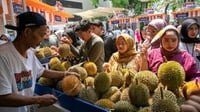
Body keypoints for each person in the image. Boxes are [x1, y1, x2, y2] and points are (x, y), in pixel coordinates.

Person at [0, 12, 79, 112]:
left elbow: (42, 72)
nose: (42, 40)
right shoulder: (3, 56)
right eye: (41, 35)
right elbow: (2, 98)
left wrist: (65, 74)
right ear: (27, 32)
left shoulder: (29, 53)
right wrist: (38, 99)